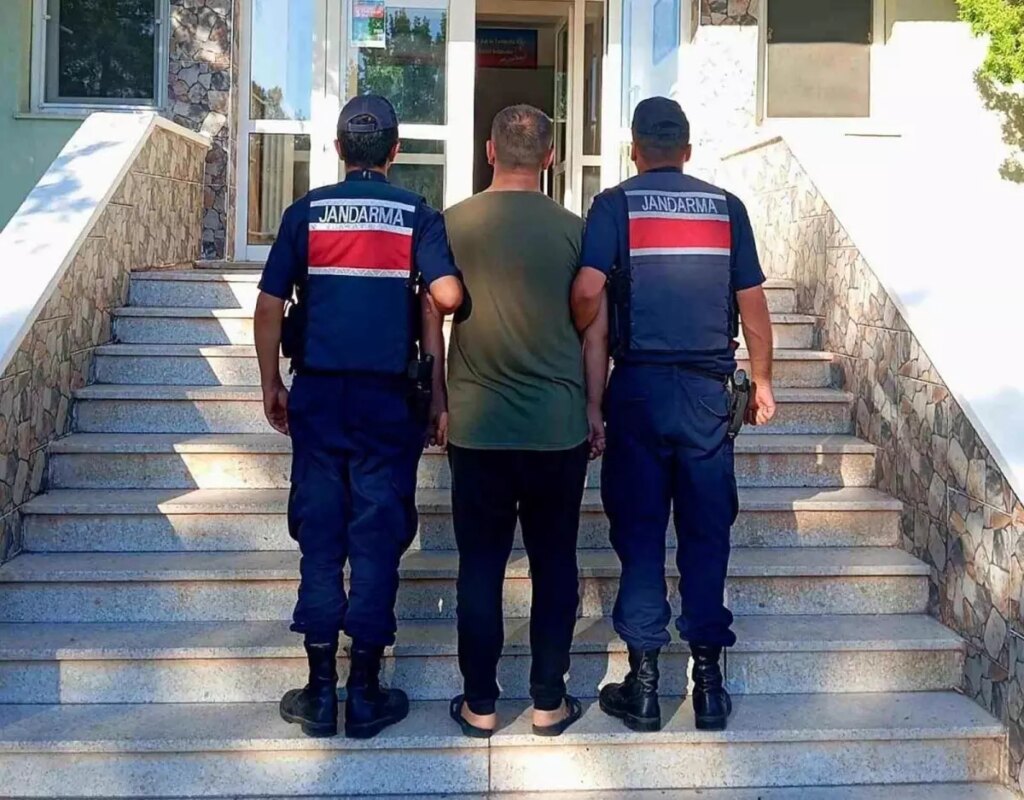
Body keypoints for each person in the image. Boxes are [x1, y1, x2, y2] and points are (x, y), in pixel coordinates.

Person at [253, 94, 462, 739]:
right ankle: (366, 692)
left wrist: (269, 383)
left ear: (339, 149)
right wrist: (439, 394)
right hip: (388, 403)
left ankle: (320, 693)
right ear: (395, 151)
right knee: (376, 533)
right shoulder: (417, 214)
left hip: (318, 397)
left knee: (320, 534)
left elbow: (268, 306)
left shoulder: (305, 212)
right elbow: (446, 296)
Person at [570, 97, 776, 733]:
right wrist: (763, 380)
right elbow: (753, 304)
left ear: (634, 149)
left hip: (639, 391)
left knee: (639, 535)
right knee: (706, 534)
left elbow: (587, 290)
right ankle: (708, 685)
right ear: (687, 150)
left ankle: (645, 688)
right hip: (709, 395)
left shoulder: (614, 206)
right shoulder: (726, 208)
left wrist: (588, 358)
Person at [442, 105, 608, 738]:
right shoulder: (577, 231)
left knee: (480, 567)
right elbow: (595, 334)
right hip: (556, 428)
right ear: (550, 157)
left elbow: (431, 314)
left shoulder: (451, 223)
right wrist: (594, 408)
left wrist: (437, 401)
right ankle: (547, 703)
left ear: (490, 151)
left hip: (477, 428)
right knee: (555, 562)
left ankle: (480, 705)